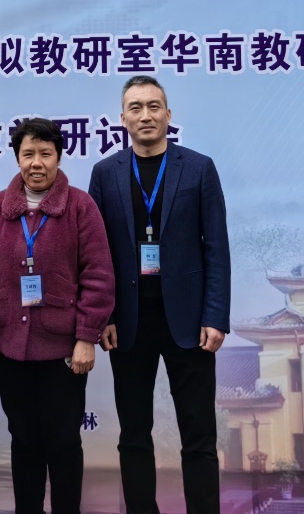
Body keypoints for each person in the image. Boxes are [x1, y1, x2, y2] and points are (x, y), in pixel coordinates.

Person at [88, 75, 230, 514]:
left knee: (199, 435)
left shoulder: (199, 168)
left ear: (169, 115)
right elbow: (95, 255)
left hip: (189, 322)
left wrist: (215, 316)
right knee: (134, 435)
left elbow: (216, 247)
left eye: (154, 106)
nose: (145, 115)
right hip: (129, 323)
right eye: (136, 108)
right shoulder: (105, 173)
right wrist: (104, 317)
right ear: (122, 118)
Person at [0, 117, 115, 514]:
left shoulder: (80, 206)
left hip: (62, 351)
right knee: (24, 440)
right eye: (28, 154)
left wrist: (86, 336)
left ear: (58, 157)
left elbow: (98, 274)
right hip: (11, 349)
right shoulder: (0, 207)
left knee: (63, 442)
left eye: (45, 154)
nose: (36, 163)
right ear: (17, 158)